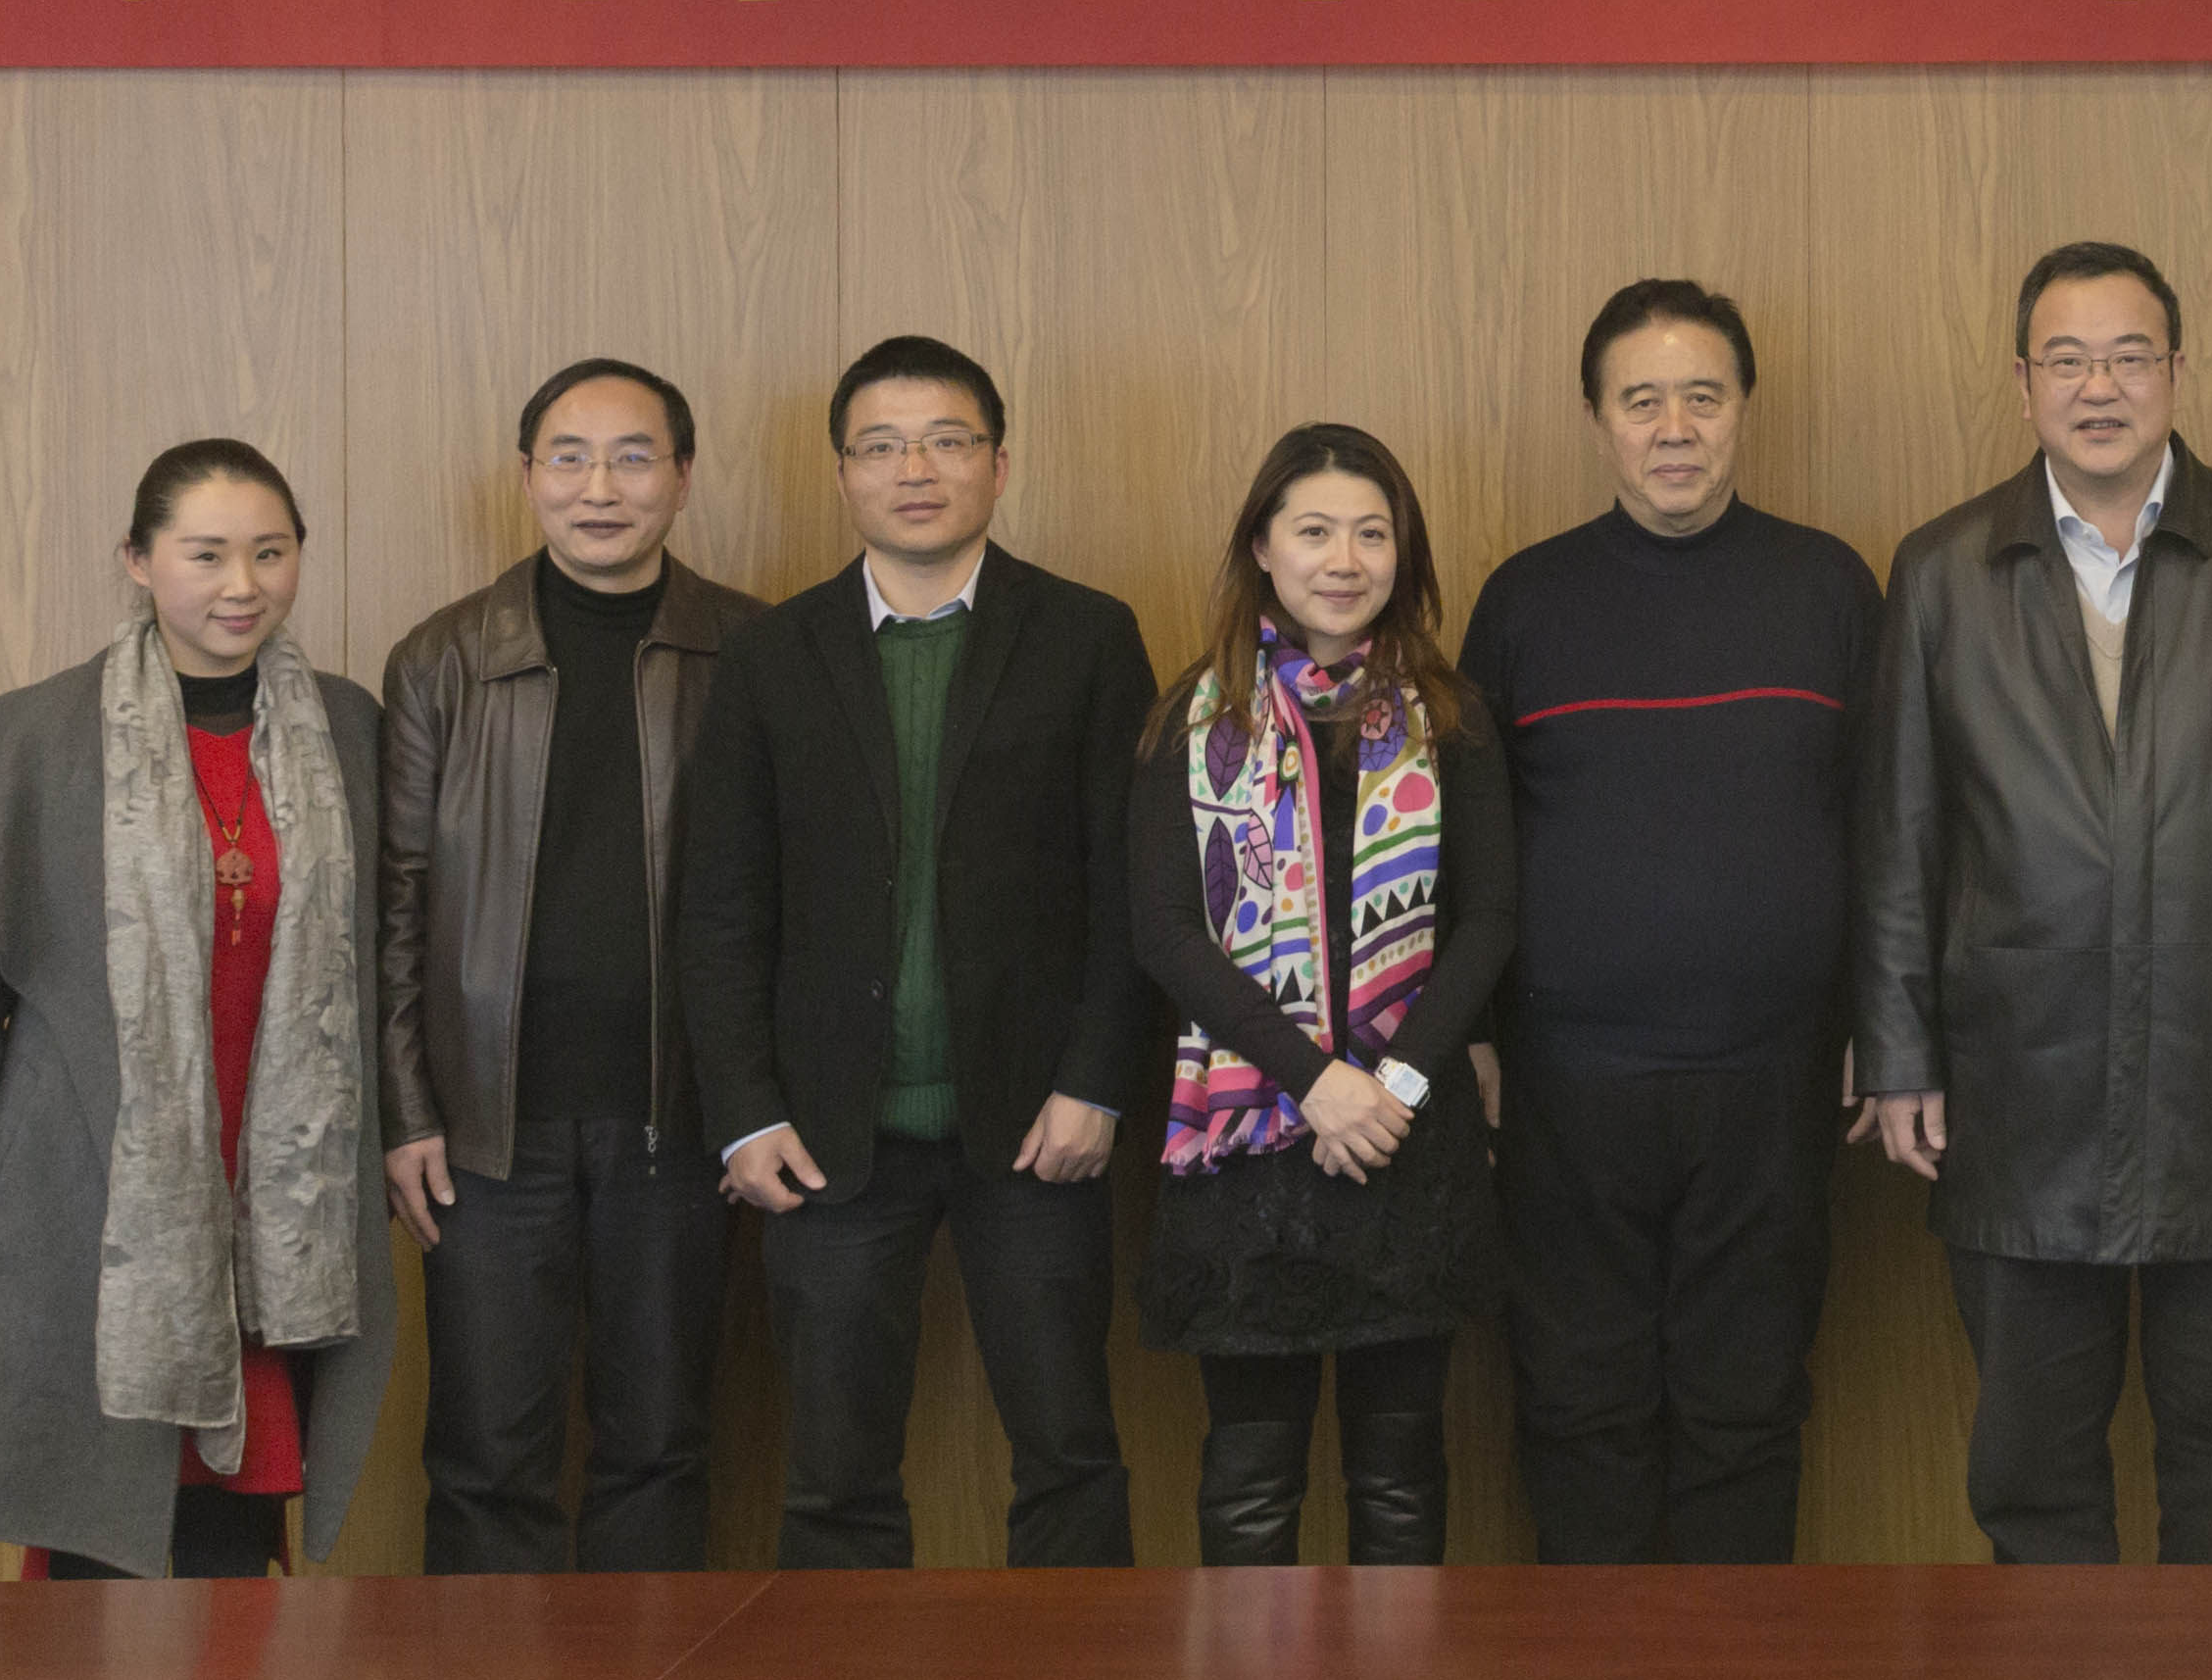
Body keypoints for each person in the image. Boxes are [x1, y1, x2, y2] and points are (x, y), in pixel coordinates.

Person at [1854, 237, 2212, 1563]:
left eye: (2129, 356)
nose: (2099, 387)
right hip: (2015, 1079)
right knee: (2031, 1479)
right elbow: (1902, 834)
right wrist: (1899, 1050)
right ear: (2021, 380)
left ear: (2177, 369)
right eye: (2067, 359)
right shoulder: (1943, 569)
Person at [678, 334, 1156, 1567]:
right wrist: (743, 1112)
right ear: (842, 472)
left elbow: (1133, 889)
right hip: (829, 1134)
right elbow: (722, 905)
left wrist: (1096, 1082)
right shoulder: (772, 655)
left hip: (1037, 1125)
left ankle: (1080, 1671)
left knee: (1070, 1454)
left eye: (947, 440)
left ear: (999, 462)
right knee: (833, 1477)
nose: (915, 469)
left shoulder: (1087, 636)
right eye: (881, 446)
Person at [0, 440, 396, 1578]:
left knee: (234, 1521)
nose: (241, 585)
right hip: (94, 1168)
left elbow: (396, 948)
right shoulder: (28, 738)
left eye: (270, 552)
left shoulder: (350, 728)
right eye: (205, 554)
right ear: (136, 558)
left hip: (284, 1176)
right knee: (99, 1504)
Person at [1459, 278, 1878, 1563]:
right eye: (1641, 400)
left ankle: (1732, 1668)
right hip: (1565, 1082)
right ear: (1597, 418)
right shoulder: (1525, 599)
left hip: (1776, 1075)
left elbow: (1886, 822)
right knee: (1578, 1404)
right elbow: (1466, 839)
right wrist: (1469, 1032)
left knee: (1745, 1404)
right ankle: (1593, 1668)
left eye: (1703, 395)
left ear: (1744, 406)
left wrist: (1883, 1020)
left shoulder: (1827, 585)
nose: (1675, 427)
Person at [374, 358, 767, 1572]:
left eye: (634, 457)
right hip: (486, 1128)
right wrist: (406, 1109)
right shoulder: (444, 656)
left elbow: (799, 892)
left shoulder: (754, 647)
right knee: (485, 1453)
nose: (601, 487)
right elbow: (397, 901)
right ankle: (485, 1677)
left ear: (683, 477)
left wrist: (757, 1103)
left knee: (660, 1443)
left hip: (680, 1116)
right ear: (527, 474)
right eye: (571, 457)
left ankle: (643, 1675)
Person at [1137, 422, 1520, 1564]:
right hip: (1250, 1145)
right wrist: (1316, 1083)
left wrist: (1390, 1086)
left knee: (1399, 1472)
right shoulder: (1191, 716)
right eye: (1313, 531)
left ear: (1403, 553)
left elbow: (1488, 919)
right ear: (1262, 545)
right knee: (1250, 1478)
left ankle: (1396, 1669)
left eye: (1370, 533)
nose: (1342, 559)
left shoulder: (1451, 715)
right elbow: (1165, 930)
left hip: (1406, 1135)